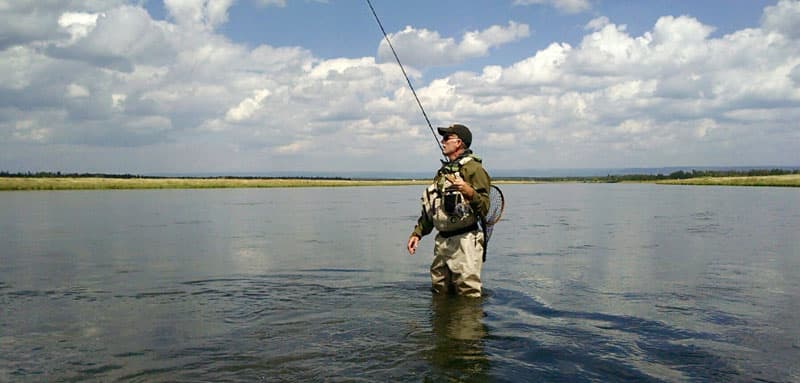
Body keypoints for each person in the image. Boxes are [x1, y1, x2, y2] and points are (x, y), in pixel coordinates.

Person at [406, 124, 491, 298]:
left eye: (446, 138)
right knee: (439, 290)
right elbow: (432, 208)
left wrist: (469, 191)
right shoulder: (442, 173)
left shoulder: (475, 169)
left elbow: (485, 207)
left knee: (468, 292)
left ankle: (469, 324)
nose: (442, 142)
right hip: (442, 242)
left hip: (465, 241)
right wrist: (417, 234)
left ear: (458, 143)